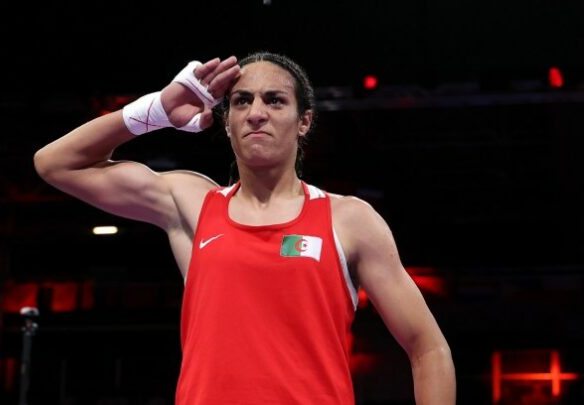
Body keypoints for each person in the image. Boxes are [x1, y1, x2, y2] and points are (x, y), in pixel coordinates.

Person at [34, 52, 455, 404]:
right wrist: (155, 112)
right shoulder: (195, 205)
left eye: (274, 101)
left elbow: (428, 348)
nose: (256, 113)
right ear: (227, 120)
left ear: (303, 121)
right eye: (241, 102)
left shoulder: (348, 220)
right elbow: (54, 164)